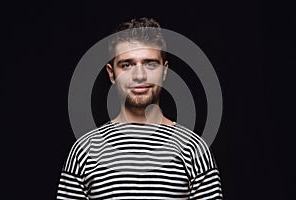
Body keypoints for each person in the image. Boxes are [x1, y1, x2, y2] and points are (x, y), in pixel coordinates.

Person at [57, 17, 223, 199]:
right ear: (111, 74)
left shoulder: (194, 149)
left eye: (150, 64)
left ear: (165, 71)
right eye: (127, 65)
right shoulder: (85, 150)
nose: (139, 75)